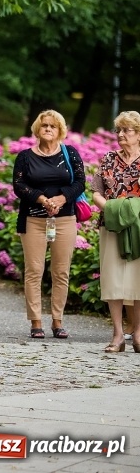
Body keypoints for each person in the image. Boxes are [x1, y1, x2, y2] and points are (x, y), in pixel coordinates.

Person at [13, 111, 84, 340]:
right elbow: (19, 185)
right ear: (37, 128)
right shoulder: (25, 156)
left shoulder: (70, 154)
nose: (48, 129)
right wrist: (42, 199)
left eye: (53, 126)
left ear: (60, 130)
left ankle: (57, 321)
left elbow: (80, 182)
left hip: (64, 219)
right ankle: (36, 321)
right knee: (34, 271)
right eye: (44, 125)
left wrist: (61, 199)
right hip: (33, 219)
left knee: (61, 271)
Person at [92, 110, 140, 353]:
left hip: (139, 226)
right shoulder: (109, 158)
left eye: (127, 130)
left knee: (138, 278)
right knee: (112, 278)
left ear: (139, 134)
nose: (121, 134)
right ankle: (118, 334)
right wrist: (111, 208)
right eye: (118, 130)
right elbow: (96, 191)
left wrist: (132, 210)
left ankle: (139, 332)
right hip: (110, 224)